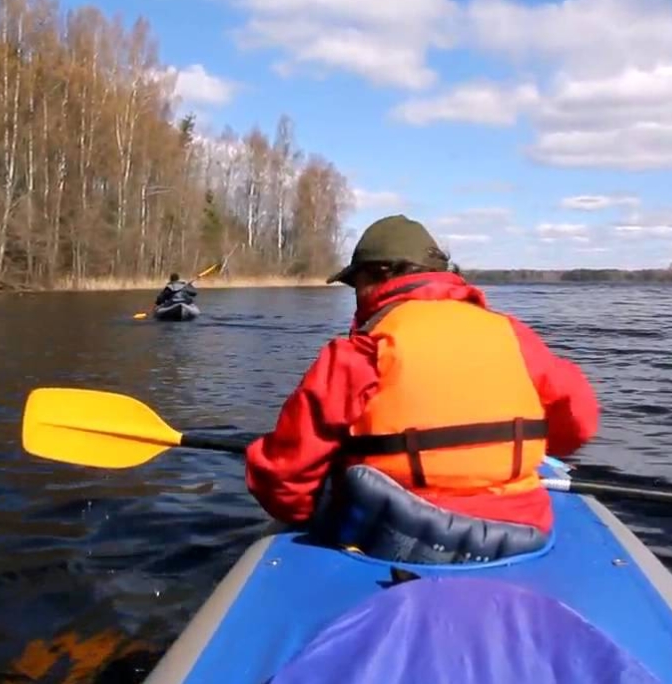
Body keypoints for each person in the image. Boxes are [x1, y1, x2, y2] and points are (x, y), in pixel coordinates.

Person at [245, 214, 600, 564]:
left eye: (357, 284)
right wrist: (501, 459)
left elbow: (283, 479)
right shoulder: (514, 333)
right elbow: (580, 422)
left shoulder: (362, 351)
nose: (357, 297)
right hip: (523, 532)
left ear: (379, 275)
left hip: (398, 538)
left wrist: (309, 507)